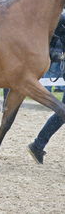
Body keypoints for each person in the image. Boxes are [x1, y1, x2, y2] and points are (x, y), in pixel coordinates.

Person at [28, 13, 65, 164]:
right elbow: (55, 44)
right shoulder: (61, 21)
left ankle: (38, 145)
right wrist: (58, 54)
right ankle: (38, 145)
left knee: (62, 113)